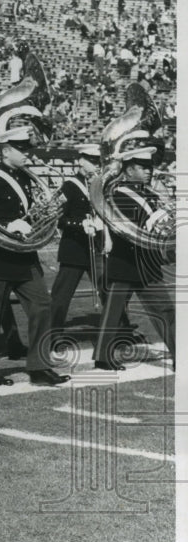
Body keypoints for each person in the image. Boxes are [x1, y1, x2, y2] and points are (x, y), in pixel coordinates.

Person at [0, 123, 70, 387]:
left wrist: (46, 213)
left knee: (41, 307)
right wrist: (8, 226)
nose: (27, 153)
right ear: (6, 150)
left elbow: (29, 214)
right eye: (22, 148)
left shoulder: (25, 177)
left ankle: (39, 367)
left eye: (28, 148)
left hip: (24, 258)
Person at [93, 138, 175, 370]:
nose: (149, 171)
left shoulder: (149, 194)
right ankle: (102, 357)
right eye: (143, 167)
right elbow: (125, 228)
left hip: (148, 263)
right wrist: (157, 221)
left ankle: (181, 356)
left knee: (166, 310)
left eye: (149, 167)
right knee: (113, 312)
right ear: (129, 170)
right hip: (125, 262)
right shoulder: (117, 194)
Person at [49, 144, 108, 341]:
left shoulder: (100, 184)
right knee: (61, 297)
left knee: (108, 292)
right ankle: (52, 334)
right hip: (74, 249)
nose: (95, 165)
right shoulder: (69, 186)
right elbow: (59, 219)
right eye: (91, 160)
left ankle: (118, 330)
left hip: (96, 248)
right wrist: (80, 223)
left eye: (97, 161)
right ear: (81, 161)